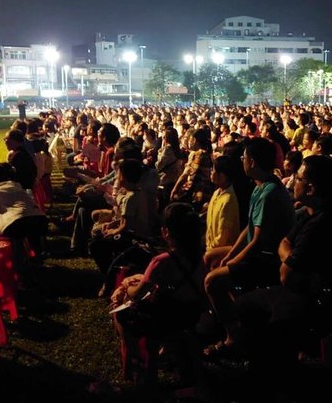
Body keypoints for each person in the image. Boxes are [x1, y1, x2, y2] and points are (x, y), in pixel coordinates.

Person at [229, 155, 332, 399]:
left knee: (252, 310)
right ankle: (275, 366)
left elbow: (286, 275)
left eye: (298, 178)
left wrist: (287, 260)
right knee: (246, 304)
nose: (292, 182)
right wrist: (288, 257)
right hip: (309, 290)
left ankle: (275, 375)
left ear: (310, 188)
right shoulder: (309, 212)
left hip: (322, 302)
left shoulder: (323, 222)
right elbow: (284, 243)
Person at [204, 138, 295, 354]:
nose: (242, 161)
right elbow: (249, 227)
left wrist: (234, 260)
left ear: (252, 162)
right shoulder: (260, 186)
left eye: (244, 158)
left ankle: (232, 335)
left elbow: (258, 241)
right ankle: (231, 314)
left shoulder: (269, 192)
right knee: (210, 257)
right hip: (256, 248)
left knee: (211, 281)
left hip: (267, 256)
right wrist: (231, 254)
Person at [109, 203, 206, 392]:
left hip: (164, 318)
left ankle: (137, 360)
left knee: (120, 314)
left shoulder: (162, 261)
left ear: (166, 232)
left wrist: (127, 286)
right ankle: (157, 356)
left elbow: (137, 294)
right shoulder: (201, 257)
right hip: (189, 314)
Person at [0, 163, 48, 269]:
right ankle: (37, 258)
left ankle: (20, 268)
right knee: (29, 232)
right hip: (39, 217)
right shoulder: (15, 185)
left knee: (15, 237)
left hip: (16, 222)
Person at [203, 156, 242, 269]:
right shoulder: (216, 193)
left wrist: (209, 250)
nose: (211, 172)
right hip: (210, 250)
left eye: (213, 170)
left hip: (219, 256)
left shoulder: (228, 200)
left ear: (222, 176)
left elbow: (222, 238)